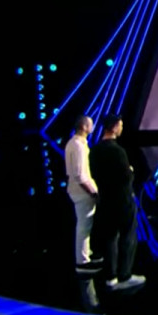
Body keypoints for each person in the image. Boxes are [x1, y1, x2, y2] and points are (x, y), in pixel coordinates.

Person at [90, 113, 146, 291]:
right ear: (114, 127)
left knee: (110, 239)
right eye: (120, 125)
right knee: (128, 237)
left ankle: (110, 277)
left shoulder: (95, 150)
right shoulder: (117, 151)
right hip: (122, 201)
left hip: (105, 201)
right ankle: (125, 275)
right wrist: (130, 171)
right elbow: (126, 177)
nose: (122, 128)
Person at [64, 115, 101, 274]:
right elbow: (79, 176)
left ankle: (87, 253)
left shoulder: (75, 143)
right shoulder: (78, 146)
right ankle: (83, 262)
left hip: (77, 190)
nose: (93, 127)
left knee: (85, 225)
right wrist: (93, 192)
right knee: (84, 227)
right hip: (82, 192)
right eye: (91, 124)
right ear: (84, 127)